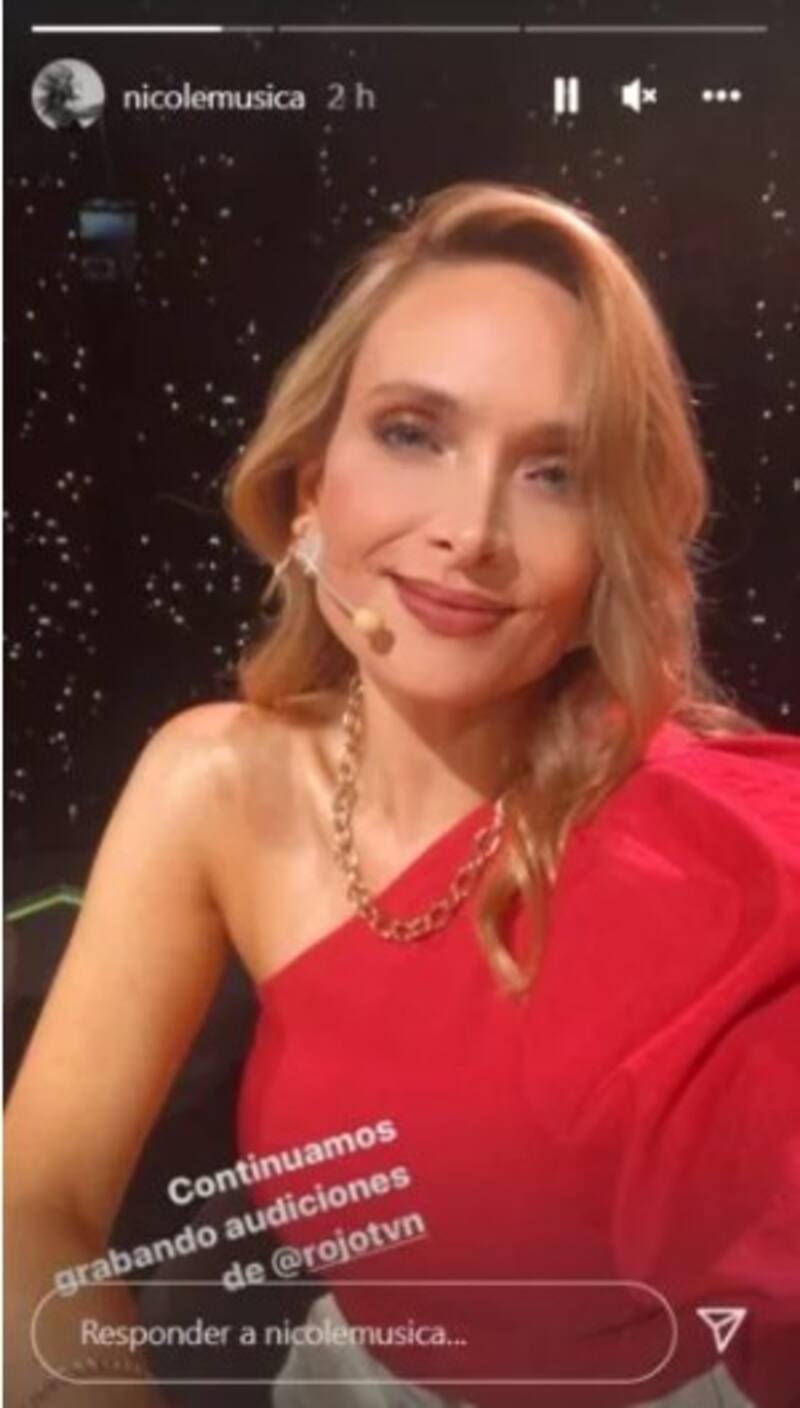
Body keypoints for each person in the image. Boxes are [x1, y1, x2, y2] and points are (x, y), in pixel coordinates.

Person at [4, 182, 799, 1408]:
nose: (470, 531)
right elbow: (35, 1198)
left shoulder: (710, 848)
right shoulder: (214, 780)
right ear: (308, 486)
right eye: (413, 433)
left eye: (555, 472)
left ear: (611, 549)